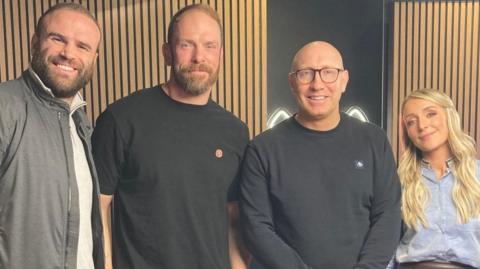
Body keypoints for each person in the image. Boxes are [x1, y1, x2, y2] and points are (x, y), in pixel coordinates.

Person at [92, 4, 250, 269]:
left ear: (221, 55)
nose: (199, 56)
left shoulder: (235, 131)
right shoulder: (121, 119)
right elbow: (98, 207)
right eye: (187, 45)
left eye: (210, 46)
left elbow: (233, 221)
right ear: (167, 52)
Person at [239, 41, 401, 269]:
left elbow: (388, 215)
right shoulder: (263, 149)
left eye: (328, 73)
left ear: (344, 80)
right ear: (292, 82)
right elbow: (256, 227)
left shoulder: (374, 140)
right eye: (306, 74)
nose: (317, 84)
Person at [0, 3, 104, 269]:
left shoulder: (80, 122)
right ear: (35, 43)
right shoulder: (5, 107)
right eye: (57, 39)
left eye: (83, 46)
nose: (68, 53)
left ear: (94, 58)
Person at [387, 89, 480, 269]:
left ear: (449, 116)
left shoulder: (477, 175)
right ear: (407, 132)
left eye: (430, 114)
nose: (422, 125)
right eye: (411, 122)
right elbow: (387, 244)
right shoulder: (397, 181)